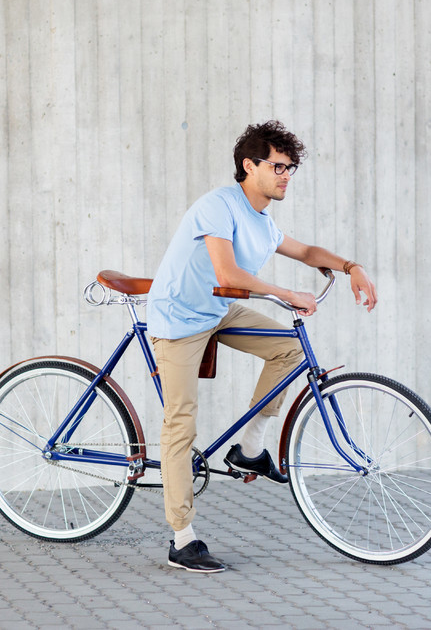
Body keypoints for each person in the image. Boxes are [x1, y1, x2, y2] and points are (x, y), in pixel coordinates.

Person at [146, 120, 378, 572]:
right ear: (249, 166)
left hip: (216, 311)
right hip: (178, 318)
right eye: (277, 166)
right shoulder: (219, 206)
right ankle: (182, 538)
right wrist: (288, 294)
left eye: (291, 167)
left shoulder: (262, 219)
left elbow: (308, 252)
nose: (286, 175)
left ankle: (249, 448)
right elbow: (228, 275)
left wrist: (352, 266)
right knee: (180, 424)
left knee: (289, 350)